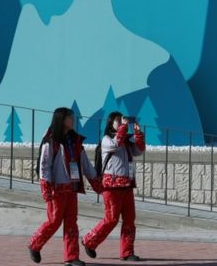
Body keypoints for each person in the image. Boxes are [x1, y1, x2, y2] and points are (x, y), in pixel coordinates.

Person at [28, 107, 103, 266]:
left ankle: (72, 257)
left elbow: (85, 163)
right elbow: (44, 166)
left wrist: (97, 182)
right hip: (57, 189)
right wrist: (46, 188)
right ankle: (35, 244)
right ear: (62, 119)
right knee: (54, 221)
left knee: (71, 222)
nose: (73, 119)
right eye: (70, 117)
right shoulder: (51, 141)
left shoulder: (74, 140)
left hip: (71, 187)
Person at [82, 111, 145, 261]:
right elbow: (116, 143)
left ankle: (127, 252)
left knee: (130, 219)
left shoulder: (127, 142)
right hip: (111, 186)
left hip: (127, 185)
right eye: (118, 120)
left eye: (122, 120)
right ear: (111, 123)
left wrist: (137, 132)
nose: (122, 122)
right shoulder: (107, 140)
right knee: (111, 219)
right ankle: (89, 241)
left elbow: (139, 150)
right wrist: (124, 126)